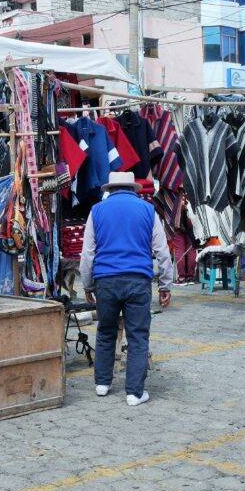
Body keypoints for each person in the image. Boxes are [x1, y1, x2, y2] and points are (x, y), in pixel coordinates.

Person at [80, 171, 174, 406]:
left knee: (105, 331)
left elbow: (87, 254)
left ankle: (102, 384)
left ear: (109, 189)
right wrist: (165, 285)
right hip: (138, 281)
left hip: (106, 281)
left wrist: (87, 284)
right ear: (133, 189)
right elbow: (162, 252)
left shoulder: (97, 211)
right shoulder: (147, 210)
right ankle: (134, 392)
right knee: (138, 336)